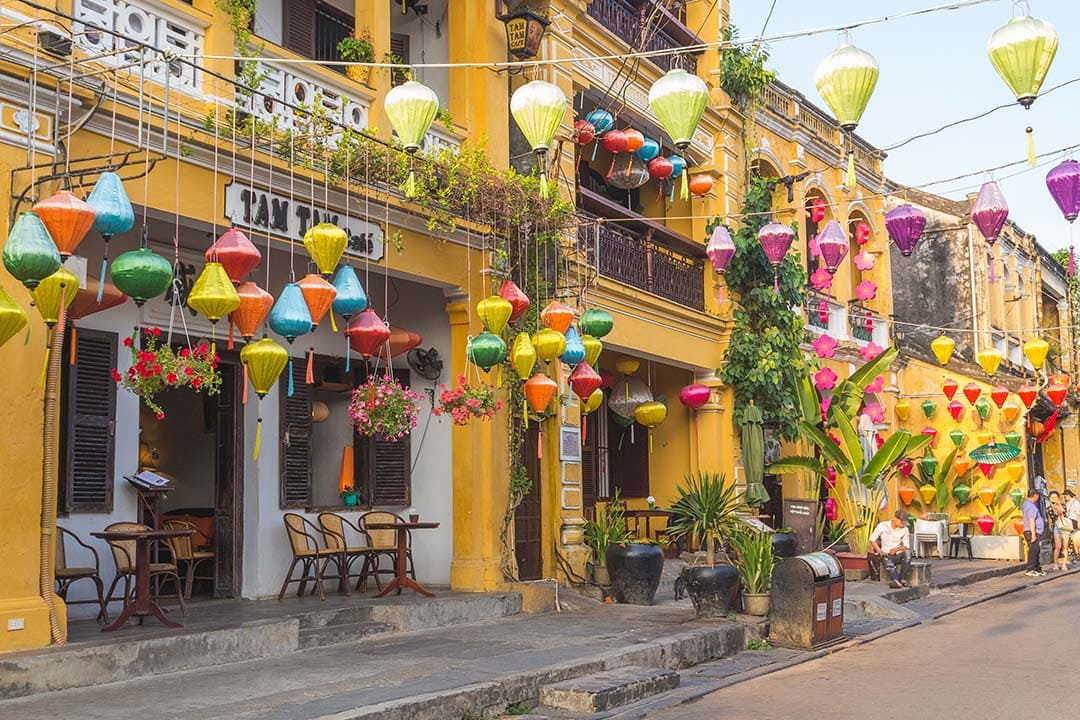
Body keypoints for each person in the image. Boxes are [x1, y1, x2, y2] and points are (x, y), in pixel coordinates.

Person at [869, 510, 911, 588]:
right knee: (887, 562)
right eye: (901, 522)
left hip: (898, 554)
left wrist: (896, 550)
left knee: (908, 554)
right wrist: (880, 551)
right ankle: (895, 580)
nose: (902, 525)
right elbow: (872, 539)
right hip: (886, 554)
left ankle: (902, 578)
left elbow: (906, 546)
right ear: (895, 519)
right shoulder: (882, 526)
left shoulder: (905, 529)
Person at [1021, 488, 1046, 577]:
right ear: (1035, 495)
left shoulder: (1026, 504)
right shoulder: (1031, 506)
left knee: (1036, 550)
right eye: (1038, 496)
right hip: (1032, 531)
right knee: (1033, 550)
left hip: (1031, 531)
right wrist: (1034, 534)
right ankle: (1030, 568)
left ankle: (1037, 568)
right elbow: (1031, 520)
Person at [1048, 491, 1071, 572]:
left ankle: (1064, 565)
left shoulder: (1063, 505)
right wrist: (1054, 506)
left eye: (1055, 497)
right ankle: (1056, 564)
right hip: (1057, 527)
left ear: (1058, 497)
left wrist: (1059, 504)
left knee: (1065, 547)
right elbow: (1054, 516)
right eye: (1052, 497)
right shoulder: (1049, 508)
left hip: (1065, 527)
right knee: (1058, 546)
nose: (1054, 499)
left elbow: (1064, 513)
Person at [1064, 489, 1080, 561]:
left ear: (1068, 495)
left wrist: (1079, 523)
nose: (1064, 497)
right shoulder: (1068, 503)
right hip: (1069, 522)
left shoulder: (1075, 503)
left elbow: (1078, 514)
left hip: (1074, 521)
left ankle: (1077, 553)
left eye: (1065, 496)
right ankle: (1076, 554)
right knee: (1072, 538)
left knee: (1075, 538)